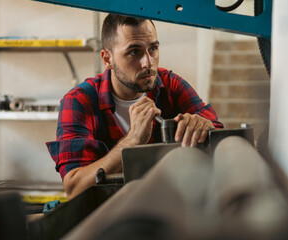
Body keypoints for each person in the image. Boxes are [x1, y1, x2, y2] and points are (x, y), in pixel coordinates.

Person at [46, 14, 223, 199]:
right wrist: (131, 141)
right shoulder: (79, 102)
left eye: (153, 49)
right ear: (107, 59)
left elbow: (219, 134)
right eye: (134, 52)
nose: (148, 63)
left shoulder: (171, 86)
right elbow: (74, 189)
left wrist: (204, 128)